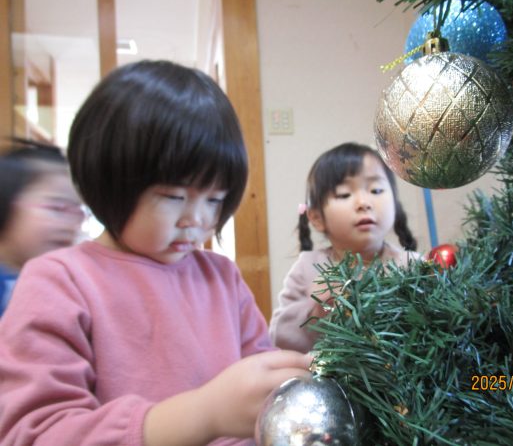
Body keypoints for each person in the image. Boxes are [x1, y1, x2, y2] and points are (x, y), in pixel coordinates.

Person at [0, 60, 311, 446]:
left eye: (214, 199)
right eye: (173, 197)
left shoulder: (221, 277)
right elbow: (33, 432)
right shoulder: (58, 281)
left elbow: (261, 389)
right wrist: (204, 414)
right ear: (108, 180)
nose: (196, 219)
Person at [269, 142, 421, 353]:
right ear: (317, 218)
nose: (364, 202)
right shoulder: (308, 267)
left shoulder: (414, 265)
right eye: (344, 194)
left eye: (376, 190)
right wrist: (317, 312)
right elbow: (279, 335)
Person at [0, 138, 84, 317]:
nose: (70, 224)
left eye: (77, 210)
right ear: (5, 205)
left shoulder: (63, 284)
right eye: (58, 207)